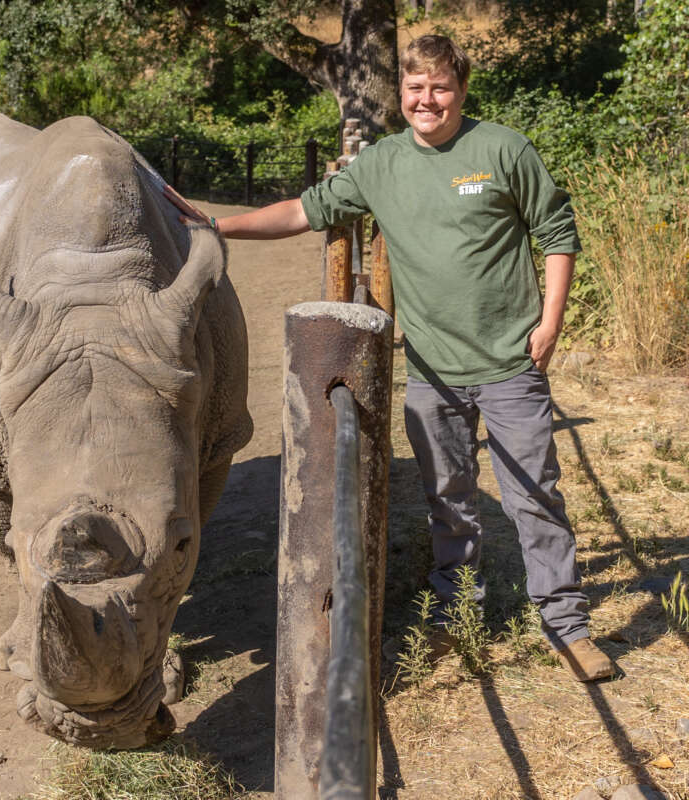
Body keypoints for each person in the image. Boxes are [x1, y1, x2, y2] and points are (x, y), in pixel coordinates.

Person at [165, 34, 614, 681]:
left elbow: (558, 233)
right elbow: (302, 211)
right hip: (432, 371)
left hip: (511, 364)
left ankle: (565, 623)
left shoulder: (503, 150)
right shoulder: (382, 167)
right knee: (449, 498)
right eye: (415, 89)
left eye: (439, 87)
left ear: (460, 89)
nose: (426, 99)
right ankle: (454, 613)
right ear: (401, 94)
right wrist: (217, 225)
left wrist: (551, 321)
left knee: (534, 496)